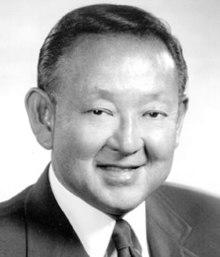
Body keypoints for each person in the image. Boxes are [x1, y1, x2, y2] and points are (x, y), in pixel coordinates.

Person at [0, 3, 219, 257]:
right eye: (100, 112)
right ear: (44, 117)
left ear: (178, 120)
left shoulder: (215, 223)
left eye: (152, 113)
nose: (127, 144)